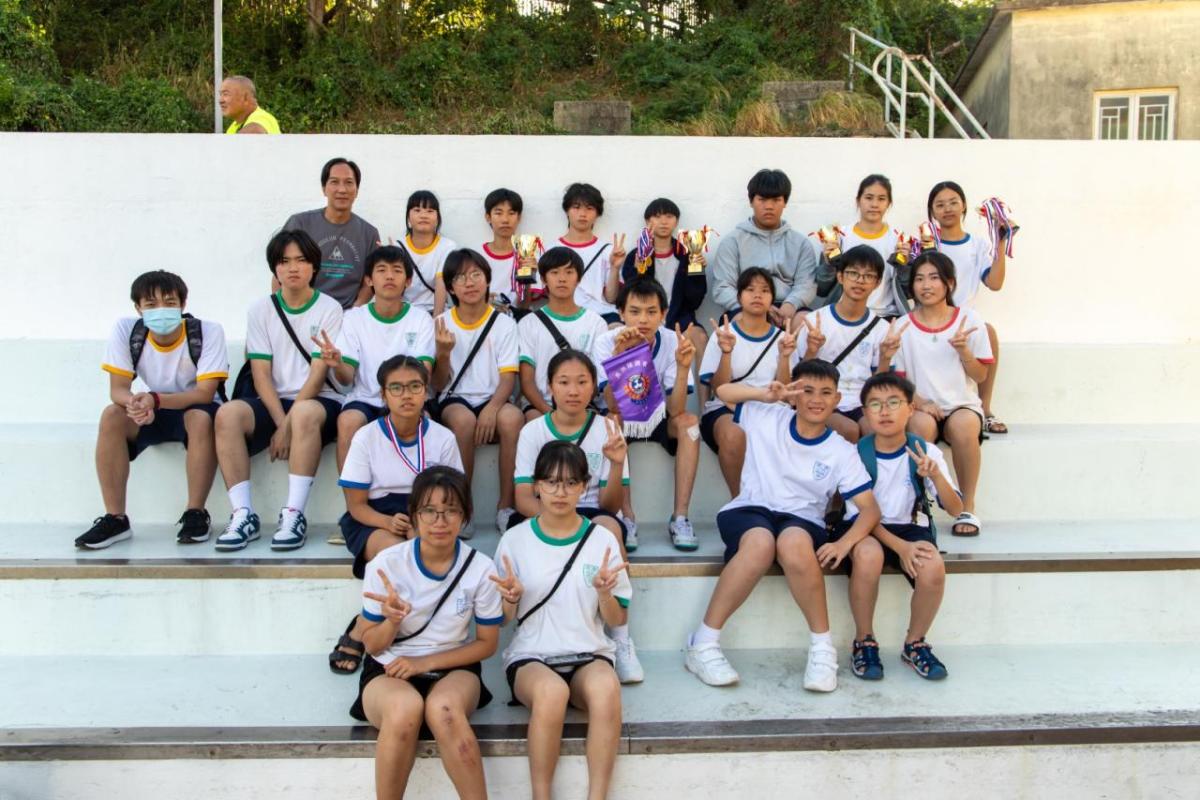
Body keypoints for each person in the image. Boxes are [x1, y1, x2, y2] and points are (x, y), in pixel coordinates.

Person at [684, 359, 881, 691]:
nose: (816, 399)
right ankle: (702, 644)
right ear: (794, 395)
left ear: (837, 400)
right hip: (751, 507)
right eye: (807, 390)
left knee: (793, 544)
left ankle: (822, 649)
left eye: (826, 393)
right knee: (760, 544)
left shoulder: (840, 450)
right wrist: (765, 394)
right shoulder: (767, 416)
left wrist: (843, 544)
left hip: (801, 519)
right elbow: (723, 392)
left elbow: (870, 509)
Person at [493, 440, 631, 800]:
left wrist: (604, 594)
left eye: (571, 482)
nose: (560, 491)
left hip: (589, 652)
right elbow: (503, 621)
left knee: (607, 689)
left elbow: (618, 617)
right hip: (532, 657)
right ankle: (541, 796)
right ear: (537, 485)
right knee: (551, 692)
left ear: (584, 487)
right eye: (552, 482)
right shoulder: (515, 539)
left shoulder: (602, 538)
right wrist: (510, 599)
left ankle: (597, 796)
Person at [354, 466, 501, 800]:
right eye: (429, 511)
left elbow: (487, 644)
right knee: (403, 710)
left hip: (454, 666)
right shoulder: (387, 564)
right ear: (414, 515)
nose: (440, 521)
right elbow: (372, 644)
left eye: (451, 511)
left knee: (444, 709)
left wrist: (423, 663)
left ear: (465, 515)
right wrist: (391, 622)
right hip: (389, 667)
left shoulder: (480, 568)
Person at [511, 350, 643, 684]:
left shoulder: (607, 428)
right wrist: (557, 518)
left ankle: (621, 639)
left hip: (591, 512)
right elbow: (523, 497)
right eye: (564, 382)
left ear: (594, 386)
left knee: (609, 527)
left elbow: (610, 504)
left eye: (582, 382)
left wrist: (616, 464)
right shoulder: (533, 431)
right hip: (545, 510)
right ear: (550, 387)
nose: (573, 390)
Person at [329, 356, 464, 675]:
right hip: (374, 517)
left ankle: (395, 629)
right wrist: (387, 522)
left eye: (415, 386)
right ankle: (364, 626)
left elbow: (454, 497)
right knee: (397, 553)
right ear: (383, 394)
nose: (407, 395)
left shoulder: (442, 437)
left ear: (426, 391)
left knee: (425, 548)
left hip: (427, 514)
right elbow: (356, 506)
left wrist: (423, 522)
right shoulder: (366, 437)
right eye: (397, 388)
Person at [79, 271, 229, 549]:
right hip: (153, 407)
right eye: (151, 304)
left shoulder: (207, 331)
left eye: (169, 303)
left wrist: (154, 400)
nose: (161, 310)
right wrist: (135, 405)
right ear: (138, 308)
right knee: (112, 415)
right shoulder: (127, 330)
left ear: (183, 304)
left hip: (194, 408)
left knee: (199, 418)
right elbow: (118, 389)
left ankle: (195, 513)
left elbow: (204, 393)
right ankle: (115, 518)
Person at [213, 230, 343, 551]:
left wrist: (287, 426)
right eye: (284, 261)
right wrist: (281, 421)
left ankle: (294, 514)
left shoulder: (330, 308)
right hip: (274, 401)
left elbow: (318, 373)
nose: (293, 268)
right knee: (228, 414)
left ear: (314, 266)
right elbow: (261, 374)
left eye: (301, 260)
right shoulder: (261, 310)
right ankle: (243, 514)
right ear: (275, 268)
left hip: (319, 401)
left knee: (304, 413)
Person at [836, 373, 960, 682]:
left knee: (932, 566)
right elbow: (863, 516)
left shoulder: (926, 451)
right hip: (866, 528)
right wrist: (900, 548)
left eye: (893, 403)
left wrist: (935, 477)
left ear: (911, 409)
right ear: (865, 412)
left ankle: (915, 643)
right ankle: (864, 640)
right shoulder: (855, 454)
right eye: (875, 404)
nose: (884, 411)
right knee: (869, 555)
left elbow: (956, 509)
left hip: (910, 526)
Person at [594, 279, 701, 551]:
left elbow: (676, 410)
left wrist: (682, 368)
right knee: (611, 422)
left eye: (652, 311)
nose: (643, 319)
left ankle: (680, 517)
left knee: (690, 424)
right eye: (635, 311)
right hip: (624, 414)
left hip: (659, 414)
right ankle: (626, 516)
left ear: (663, 314)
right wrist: (620, 358)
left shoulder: (672, 340)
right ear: (621, 313)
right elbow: (612, 405)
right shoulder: (606, 342)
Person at [891, 251, 992, 537]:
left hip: (962, 405)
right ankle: (920, 506)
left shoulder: (969, 320)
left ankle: (967, 507)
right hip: (921, 406)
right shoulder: (902, 326)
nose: (926, 285)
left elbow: (980, 376)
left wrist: (964, 351)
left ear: (949, 283)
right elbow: (898, 379)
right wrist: (919, 402)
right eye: (919, 279)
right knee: (918, 427)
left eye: (934, 278)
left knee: (963, 426)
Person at [431, 248, 524, 534]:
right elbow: (437, 384)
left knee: (512, 419)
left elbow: (508, 377)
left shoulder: (504, 324)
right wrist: (443, 353)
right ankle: (462, 506)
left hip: (494, 397)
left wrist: (492, 408)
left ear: (487, 280)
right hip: (455, 399)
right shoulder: (440, 323)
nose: (469, 283)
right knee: (464, 421)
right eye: (460, 278)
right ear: (451, 288)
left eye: (475, 275)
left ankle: (506, 506)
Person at [697, 267, 800, 495]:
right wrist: (726, 351)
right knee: (733, 435)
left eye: (764, 290)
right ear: (739, 296)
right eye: (750, 289)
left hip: (770, 409)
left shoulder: (783, 339)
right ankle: (739, 500)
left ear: (772, 299)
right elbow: (719, 388)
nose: (757, 295)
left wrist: (785, 357)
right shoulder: (723, 334)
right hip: (726, 407)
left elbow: (784, 391)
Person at [926, 180, 1009, 435]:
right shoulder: (928, 242)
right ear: (932, 211)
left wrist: (1001, 243)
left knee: (989, 332)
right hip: (932, 315)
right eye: (940, 204)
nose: (947, 209)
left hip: (963, 317)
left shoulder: (978, 245)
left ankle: (985, 409)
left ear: (963, 206)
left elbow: (995, 283)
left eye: (953, 202)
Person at [798, 245, 892, 442]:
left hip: (862, 400)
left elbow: (879, 383)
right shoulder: (816, 321)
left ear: (877, 283)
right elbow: (799, 376)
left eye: (868, 276)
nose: (860, 280)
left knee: (876, 431)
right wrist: (812, 350)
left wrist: (885, 357)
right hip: (823, 398)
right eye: (853, 273)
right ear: (840, 276)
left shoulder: (882, 328)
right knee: (849, 430)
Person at [710, 168, 818, 324]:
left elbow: (807, 284)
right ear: (751, 201)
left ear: (785, 202)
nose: (769, 206)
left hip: (788, 307)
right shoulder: (732, 241)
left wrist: (790, 305)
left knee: (807, 323)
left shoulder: (800, 243)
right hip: (746, 306)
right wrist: (754, 307)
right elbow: (722, 286)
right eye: (762, 199)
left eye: (776, 200)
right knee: (743, 322)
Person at [517, 247, 610, 420]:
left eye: (569, 272)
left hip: (582, 405)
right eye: (554, 272)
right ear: (543, 279)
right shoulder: (528, 323)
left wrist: (575, 409)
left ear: (578, 278)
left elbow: (597, 379)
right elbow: (527, 381)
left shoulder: (596, 323)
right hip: (540, 405)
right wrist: (551, 414)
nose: (562, 279)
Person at [281, 157, 382, 309]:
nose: (342, 189)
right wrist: (286, 311)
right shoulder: (299, 224)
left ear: (357, 191)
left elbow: (370, 281)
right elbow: (280, 272)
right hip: (304, 310)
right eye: (334, 182)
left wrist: (355, 310)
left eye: (349, 182)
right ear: (324, 188)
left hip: (347, 314)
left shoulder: (369, 234)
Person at [618, 197, 709, 361]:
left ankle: (705, 380)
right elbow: (630, 295)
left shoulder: (688, 255)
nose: (663, 222)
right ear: (648, 221)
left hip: (679, 319)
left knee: (700, 336)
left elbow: (694, 301)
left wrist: (697, 273)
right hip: (645, 317)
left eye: (669, 216)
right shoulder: (636, 255)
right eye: (657, 216)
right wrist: (638, 270)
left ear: (676, 222)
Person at [814, 174, 905, 317]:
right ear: (858, 201)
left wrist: (905, 267)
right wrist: (828, 265)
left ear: (889, 203)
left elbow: (908, 291)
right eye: (869, 197)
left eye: (881, 199)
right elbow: (821, 289)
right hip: (843, 315)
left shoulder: (899, 240)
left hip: (884, 316)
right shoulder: (839, 237)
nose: (874, 204)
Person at [558, 182, 626, 325]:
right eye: (576, 207)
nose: (583, 214)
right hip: (563, 315)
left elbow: (611, 298)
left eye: (589, 208)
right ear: (567, 211)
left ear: (597, 214)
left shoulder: (609, 251)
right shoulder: (552, 249)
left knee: (619, 331)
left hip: (602, 315)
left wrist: (615, 268)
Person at [480, 187, 544, 316]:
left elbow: (524, 306)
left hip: (517, 320)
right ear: (488, 217)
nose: (505, 219)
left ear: (519, 217)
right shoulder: (476, 257)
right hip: (484, 320)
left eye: (511, 213)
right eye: (498, 213)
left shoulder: (530, 254)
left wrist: (527, 280)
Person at [401, 190, 456, 317]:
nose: (423, 215)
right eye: (417, 210)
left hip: (435, 311)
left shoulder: (447, 246)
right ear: (408, 218)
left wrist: (436, 320)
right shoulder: (397, 247)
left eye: (430, 211)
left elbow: (441, 283)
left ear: (437, 219)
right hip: (406, 313)